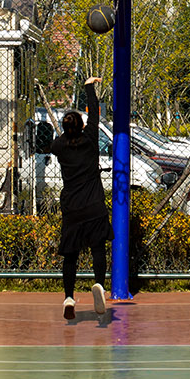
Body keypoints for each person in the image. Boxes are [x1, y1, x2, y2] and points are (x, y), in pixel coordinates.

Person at [50, 77, 110, 321]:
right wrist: (89, 87)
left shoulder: (59, 146)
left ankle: (68, 297)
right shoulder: (91, 139)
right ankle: (99, 284)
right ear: (83, 126)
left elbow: (56, 142)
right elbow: (95, 114)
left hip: (72, 207)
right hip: (94, 204)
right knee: (98, 248)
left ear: (65, 129)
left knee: (70, 255)